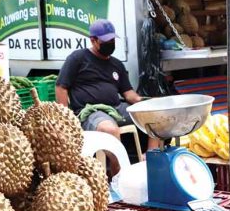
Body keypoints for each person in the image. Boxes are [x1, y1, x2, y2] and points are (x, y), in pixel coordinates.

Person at [56, 19, 159, 163]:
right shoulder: (78, 58)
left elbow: (128, 94)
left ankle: (151, 157)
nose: (110, 43)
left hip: (115, 108)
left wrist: (147, 102)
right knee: (110, 130)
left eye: (112, 40)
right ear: (93, 40)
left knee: (154, 116)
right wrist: (65, 118)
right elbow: (61, 87)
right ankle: (119, 173)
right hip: (91, 111)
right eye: (106, 41)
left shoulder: (116, 64)